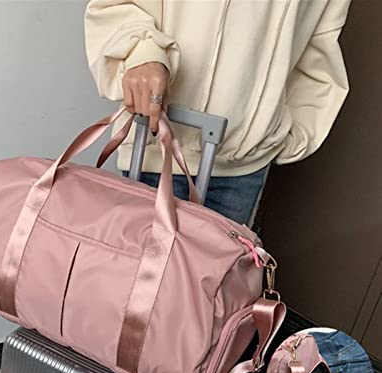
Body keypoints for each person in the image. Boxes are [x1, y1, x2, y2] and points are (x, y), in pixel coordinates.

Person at [84, 0, 350, 225]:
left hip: (243, 171)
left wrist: (279, 133)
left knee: (215, 274)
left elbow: (320, 44)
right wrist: (143, 53)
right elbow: (116, 6)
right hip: (158, 148)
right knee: (128, 268)